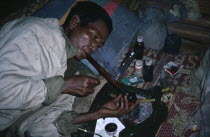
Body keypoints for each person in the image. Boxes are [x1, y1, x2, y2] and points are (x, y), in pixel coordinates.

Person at [0, 1, 140, 136]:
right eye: (94, 37)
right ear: (74, 23)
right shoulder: (34, 34)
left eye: (99, 45)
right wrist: (63, 85)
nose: (94, 47)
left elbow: (42, 126)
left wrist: (98, 114)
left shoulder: (71, 66)